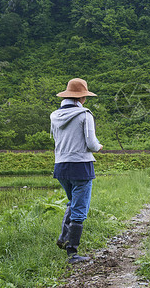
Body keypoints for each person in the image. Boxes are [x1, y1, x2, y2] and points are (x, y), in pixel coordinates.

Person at [50, 78, 103, 263]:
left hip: (61, 165)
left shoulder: (54, 115)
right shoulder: (85, 115)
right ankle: (72, 252)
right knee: (79, 207)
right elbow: (91, 143)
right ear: (81, 97)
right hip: (81, 165)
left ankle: (64, 238)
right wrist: (99, 147)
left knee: (72, 202)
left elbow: (56, 140)